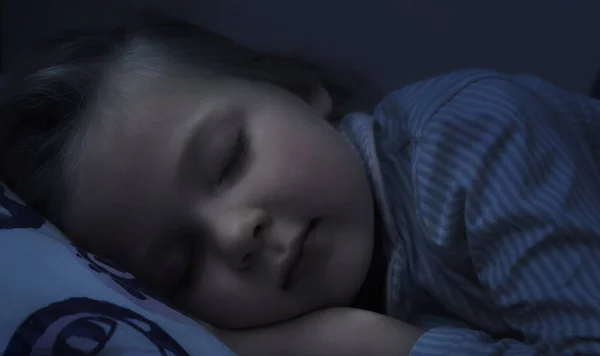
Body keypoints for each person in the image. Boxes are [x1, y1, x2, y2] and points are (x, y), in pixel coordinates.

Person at [1, 19, 600, 356]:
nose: (237, 232)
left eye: (230, 159)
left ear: (297, 87)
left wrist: (380, 348)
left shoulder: (475, 135)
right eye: (182, 264)